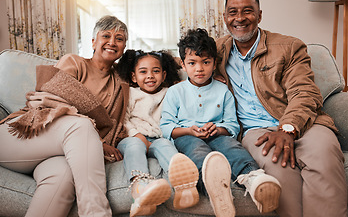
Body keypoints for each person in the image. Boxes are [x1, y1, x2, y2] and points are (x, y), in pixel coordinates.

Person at [216, 0, 348, 217]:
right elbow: (180, 61)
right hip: (255, 131)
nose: (240, 18)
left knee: (324, 157)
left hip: (303, 122)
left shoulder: (288, 46)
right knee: (280, 168)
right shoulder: (216, 51)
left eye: (247, 10)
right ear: (225, 17)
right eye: (233, 12)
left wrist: (287, 128)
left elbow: (305, 92)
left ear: (259, 15)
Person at [0, 15, 130, 217]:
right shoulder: (75, 62)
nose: (113, 42)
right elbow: (50, 99)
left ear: (124, 47)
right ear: (93, 41)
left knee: (64, 177)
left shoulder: (119, 85)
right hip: (21, 136)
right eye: (106, 35)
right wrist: (94, 138)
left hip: (57, 156)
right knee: (80, 126)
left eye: (120, 38)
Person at [160, 28, 281, 216]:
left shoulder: (223, 90)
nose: (199, 68)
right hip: (187, 136)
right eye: (192, 63)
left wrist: (218, 129)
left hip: (217, 134)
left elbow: (232, 125)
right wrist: (189, 131)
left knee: (232, 147)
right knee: (198, 151)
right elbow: (166, 126)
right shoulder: (175, 92)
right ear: (183, 65)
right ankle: (214, 189)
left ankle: (254, 178)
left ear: (214, 63)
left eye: (205, 62)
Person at [116, 49, 199, 217]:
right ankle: (140, 187)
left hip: (158, 138)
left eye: (156, 71)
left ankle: (184, 185)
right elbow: (123, 119)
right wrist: (135, 134)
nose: (150, 76)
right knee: (134, 146)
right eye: (143, 72)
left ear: (164, 74)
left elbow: (188, 86)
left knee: (167, 146)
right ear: (133, 77)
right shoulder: (131, 93)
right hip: (133, 136)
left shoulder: (170, 92)